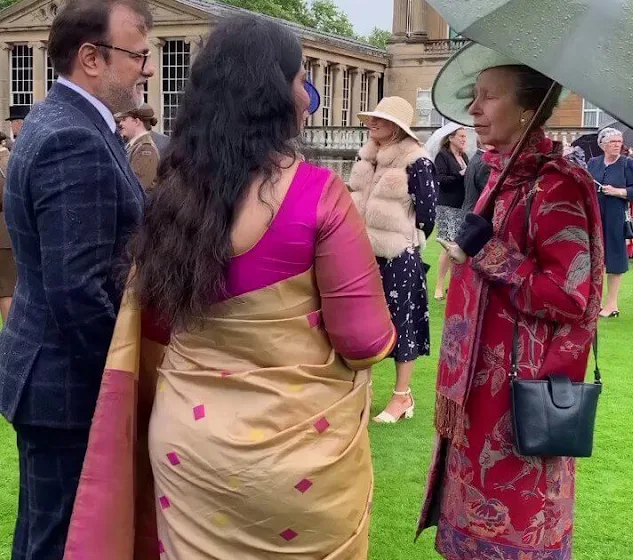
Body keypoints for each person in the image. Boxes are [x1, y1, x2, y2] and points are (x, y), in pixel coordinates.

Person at [66, 15, 396, 560]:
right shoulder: (320, 194)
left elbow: (157, 326)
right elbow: (365, 342)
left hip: (187, 453)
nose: (306, 97)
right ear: (274, 92)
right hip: (297, 464)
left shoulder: (172, 195)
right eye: (299, 80)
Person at [416, 47, 604, 560]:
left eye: (488, 96)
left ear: (528, 108)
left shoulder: (557, 185)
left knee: (516, 530)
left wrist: (490, 252)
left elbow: (571, 294)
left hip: (518, 397)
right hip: (475, 394)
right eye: (472, 97)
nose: (473, 109)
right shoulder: (497, 175)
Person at [0, 0, 153, 558]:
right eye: (138, 54)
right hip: (67, 386)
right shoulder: (75, 138)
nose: (148, 68)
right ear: (91, 57)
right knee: (59, 542)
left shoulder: (69, 120)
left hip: (48, 375)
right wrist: (124, 380)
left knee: (45, 534)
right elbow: (77, 289)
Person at [349, 96, 436, 424]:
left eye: (381, 120)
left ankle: (401, 396)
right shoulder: (366, 156)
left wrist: (402, 237)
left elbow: (427, 213)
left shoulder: (417, 161)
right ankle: (364, 391)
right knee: (362, 323)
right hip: (360, 253)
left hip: (398, 255)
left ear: (397, 129)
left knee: (402, 322)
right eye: (372, 119)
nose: (373, 124)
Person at [587, 127, 633, 317]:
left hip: (616, 216)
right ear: (602, 145)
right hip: (595, 215)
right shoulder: (593, 163)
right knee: (594, 259)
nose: (617, 145)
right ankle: (595, 302)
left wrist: (617, 191)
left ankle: (612, 305)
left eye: (619, 142)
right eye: (612, 142)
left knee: (615, 260)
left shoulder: (627, 164)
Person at [433, 124, 468, 300]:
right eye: (461, 136)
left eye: (465, 136)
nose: (464, 139)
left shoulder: (465, 157)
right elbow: (439, 179)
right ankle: (439, 287)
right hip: (447, 206)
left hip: (461, 206)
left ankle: (454, 286)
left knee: (458, 247)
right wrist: (460, 176)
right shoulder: (443, 156)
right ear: (451, 138)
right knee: (449, 246)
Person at [117, 103, 160, 190]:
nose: (120, 124)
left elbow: (138, 186)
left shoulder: (146, 149)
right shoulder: (135, 146)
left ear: (136, 122)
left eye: (124, 119)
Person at [0, 132, 15, 322]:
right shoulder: (11, 159)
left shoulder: (3, 164)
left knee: (5, 290)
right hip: (11, 230)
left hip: (2, 235)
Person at [460, 140, 492, 214]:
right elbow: (488, 191)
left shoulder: (475, 158)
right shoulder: (485, 163)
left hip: (469, 208)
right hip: (478, 211)